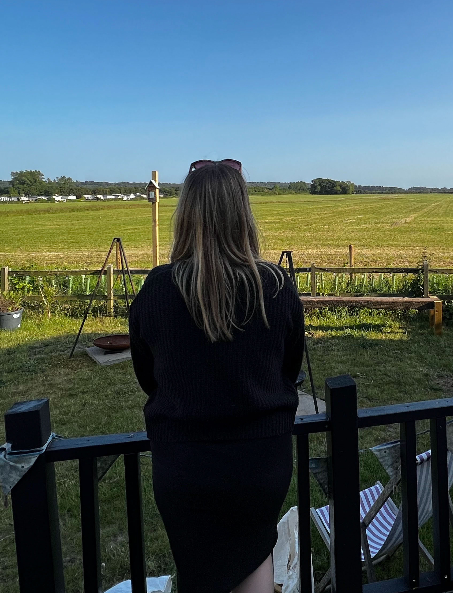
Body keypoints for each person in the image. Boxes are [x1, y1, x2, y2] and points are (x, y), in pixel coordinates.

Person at [130, 159, 305, 593]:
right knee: (254, 557)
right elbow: (290, 369)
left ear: (185, 215)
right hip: (262, 463)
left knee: (201, 572)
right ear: (242, 213)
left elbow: (147, 375)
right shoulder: (277, 287)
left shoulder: (157, 289)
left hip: (184, 465)